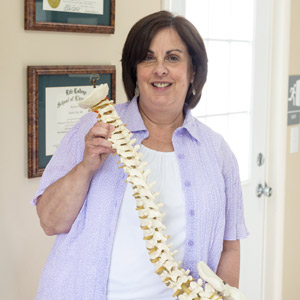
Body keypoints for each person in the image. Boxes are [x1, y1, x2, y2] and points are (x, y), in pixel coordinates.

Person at [33, 10, 248, 300]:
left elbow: (230, 246)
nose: (160, 69)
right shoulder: (96, 128)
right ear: (135, 70)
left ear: (193, 71)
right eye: (148, 58)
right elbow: (50, 222)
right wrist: (85, 167)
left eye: (173, 58)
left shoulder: (217, 152)